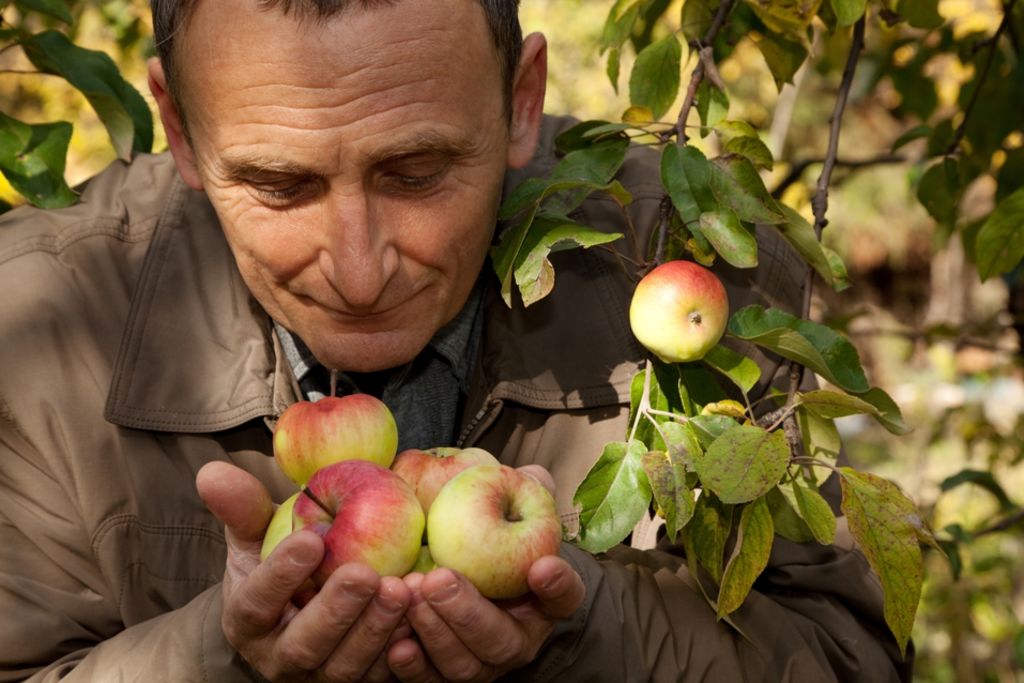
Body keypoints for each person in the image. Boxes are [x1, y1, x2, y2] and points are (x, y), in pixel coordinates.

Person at [0, 0, 912, 680]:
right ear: (178, 127)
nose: (358, 272)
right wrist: (219, 653)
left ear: (521, 102)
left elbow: (850, 659)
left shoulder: (693, 268)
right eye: (280, 186)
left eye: (418, 171)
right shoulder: (35, 328)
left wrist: (583, 626)